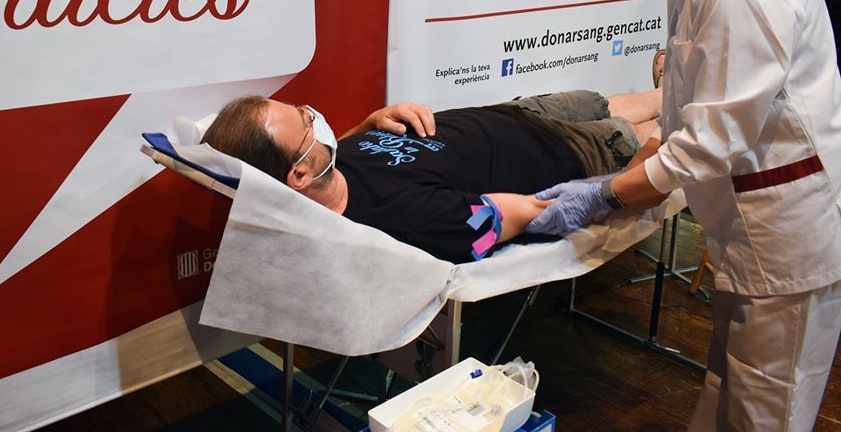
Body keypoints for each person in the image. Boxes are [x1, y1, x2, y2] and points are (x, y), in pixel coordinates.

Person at [528, 0, 841, 431]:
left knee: (767, 407)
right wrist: (637, 164)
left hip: (784, 231)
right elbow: (688, 104)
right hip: (743, 225)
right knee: (729, 384)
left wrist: (606, 192)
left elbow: (711, 141)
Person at [201, 89, 662, 263]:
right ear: (299, 174)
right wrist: (634, 179)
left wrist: (370, 120)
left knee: (637, 97)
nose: (312, 115)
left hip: (518, 111)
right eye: (305, 123)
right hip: (570, 153)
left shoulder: (325, 166)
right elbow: (533, 213)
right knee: (659, 119)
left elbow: (326, 162)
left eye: (303, 107)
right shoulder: (410, 221)